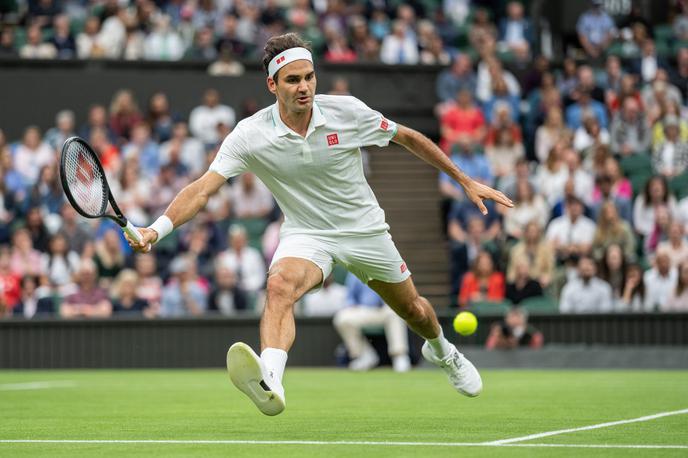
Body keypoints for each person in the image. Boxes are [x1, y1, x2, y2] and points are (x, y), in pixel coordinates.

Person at [125, 33, 512, 416]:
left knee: (414, 311)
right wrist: (155, 230)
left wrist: (464, 180)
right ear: (272, 85)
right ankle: (271, 380)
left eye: (309, 77)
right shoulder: (249, 135)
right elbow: (202, 190)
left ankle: (443, 350)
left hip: (364, 230)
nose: (305, 86)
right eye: (293, 80)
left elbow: (408, 138)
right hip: (306, 234)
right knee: (278, 286)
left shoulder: (347, 112)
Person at [333, 273, 410, 372]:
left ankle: (400, 356)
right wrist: (352, 306)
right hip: (364, 311)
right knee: (342, 318)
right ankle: (364, 356)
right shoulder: (354, 273)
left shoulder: (387, 269)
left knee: (394, 312)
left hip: (385, 309)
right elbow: (350, 298)